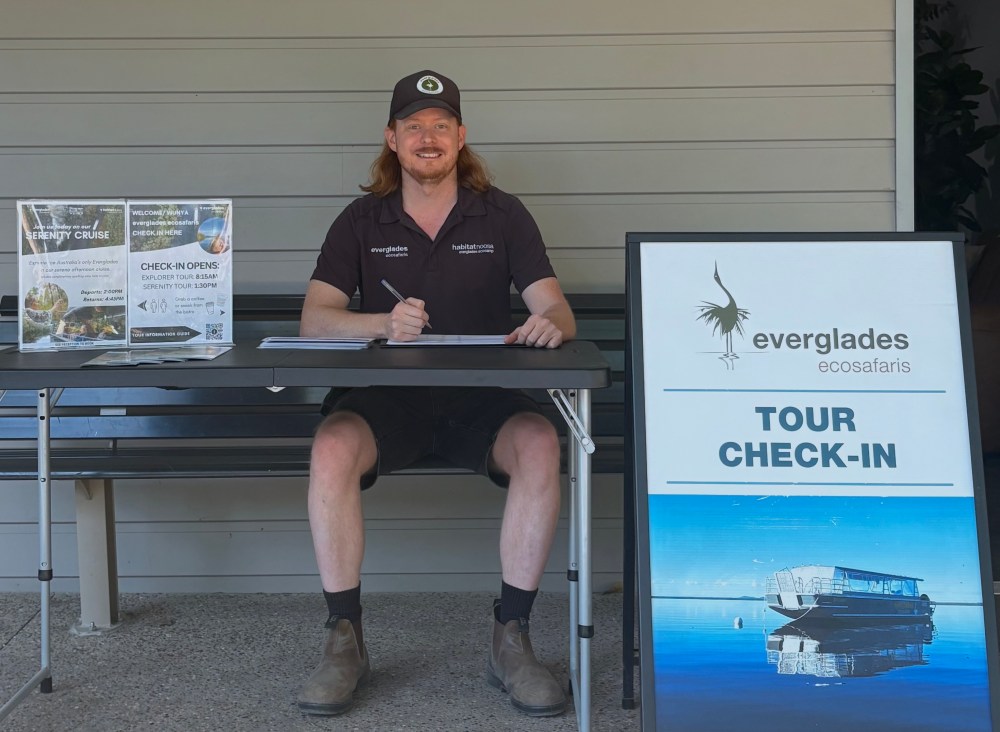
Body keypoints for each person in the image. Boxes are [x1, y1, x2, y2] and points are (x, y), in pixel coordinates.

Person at [296, 70, 576, 718]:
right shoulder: (361, 219)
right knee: (331, 446)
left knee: (539, 443)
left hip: (479, 396)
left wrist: (548, 325)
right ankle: (344, 640)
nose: (429, 137)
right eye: (415, 126)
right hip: (386, 399)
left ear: (461, 137)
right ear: (391, 139)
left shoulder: (502, 212)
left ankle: (511, 637)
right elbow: (315, 320)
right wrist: (378, 325)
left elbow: (558, 310)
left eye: (441, 125)